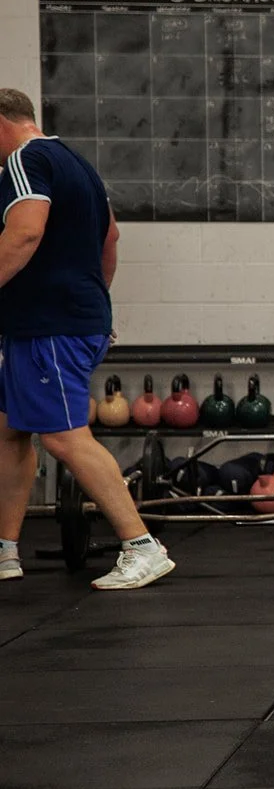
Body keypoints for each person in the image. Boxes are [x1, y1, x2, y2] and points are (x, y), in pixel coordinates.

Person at [0, 88, 175, 590]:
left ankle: (142, 547)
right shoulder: (76, 163)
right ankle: (5, 550)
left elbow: (25, 233)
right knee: (10, 428)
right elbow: (111, 237)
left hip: (49, 325)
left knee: (63, 436)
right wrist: (94, 303)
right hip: (62, 321)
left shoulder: (24, 161)